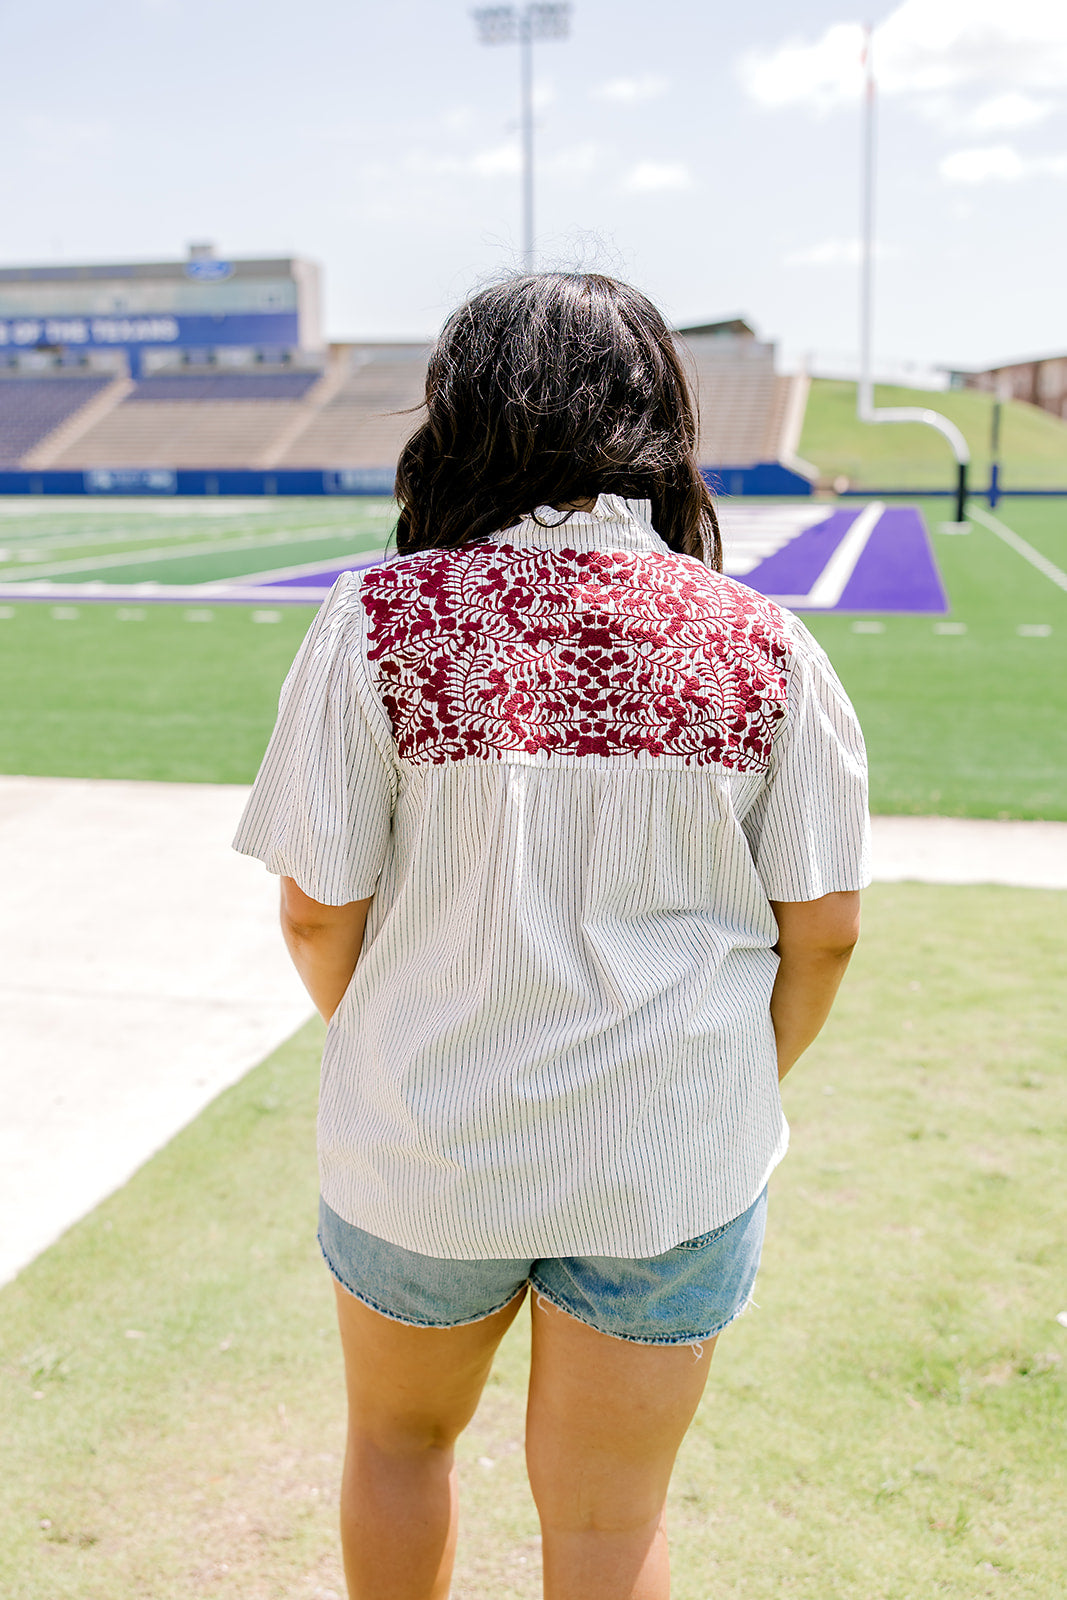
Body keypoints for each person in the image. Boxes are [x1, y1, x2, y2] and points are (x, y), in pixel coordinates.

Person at [233, 272, 869, 1600]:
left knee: (399, 1447)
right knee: (609, 1520)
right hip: (670, 1157)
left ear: (460, 416)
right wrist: (724, 1079)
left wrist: (400, 1037)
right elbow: (824, 935)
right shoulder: (765, 644)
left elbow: (313, 908)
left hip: (426, 1137)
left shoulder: (378, 620)